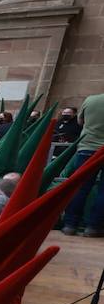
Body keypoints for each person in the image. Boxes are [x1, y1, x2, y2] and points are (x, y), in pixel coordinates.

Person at [62, 90, 104, 237]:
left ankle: (70, 225)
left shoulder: (90, 100)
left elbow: (80, 121)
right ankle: (94, 226)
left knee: (81, 187)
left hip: (87, 147)